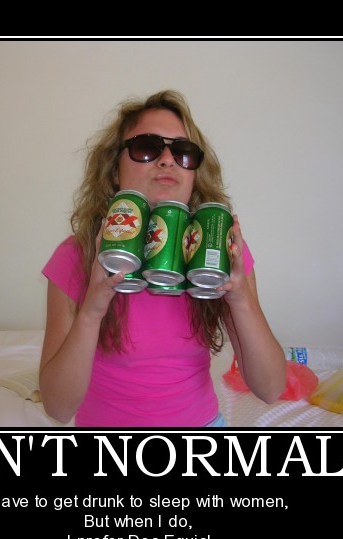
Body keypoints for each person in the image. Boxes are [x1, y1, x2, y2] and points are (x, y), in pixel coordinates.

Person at [39, 90, 286, 427]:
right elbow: (57, 407)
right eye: (147, 147)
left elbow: (270, 388)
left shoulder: (220, 251)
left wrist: (240, 299)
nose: (168, 160)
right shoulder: (75, 255)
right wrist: (92, 312)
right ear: (114, 171)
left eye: (184, 152)